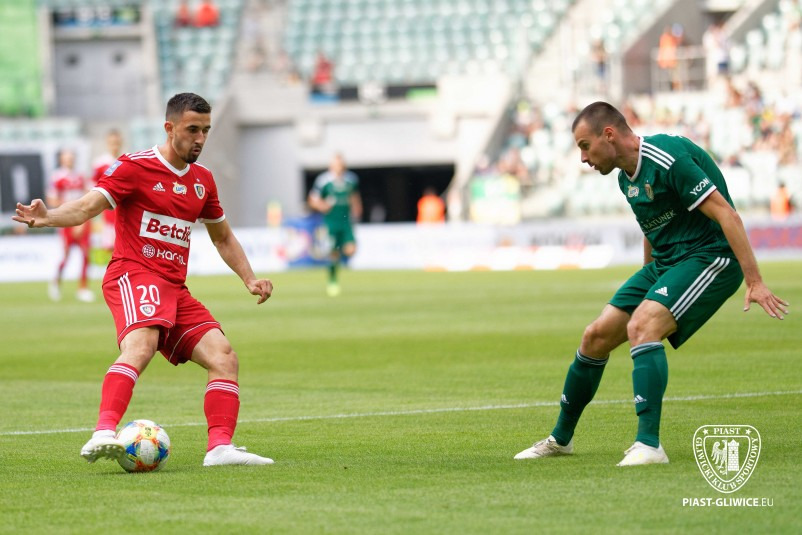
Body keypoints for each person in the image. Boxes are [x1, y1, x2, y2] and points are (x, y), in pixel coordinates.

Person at [514, 101, 788, 466]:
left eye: (585, 146)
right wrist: (651, 286)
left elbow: (727, 214)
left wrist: (755, 281)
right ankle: (559, 440)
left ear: (608, 135)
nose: (583, 158)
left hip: (711, 256)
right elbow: (652, 227)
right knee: (595, 336)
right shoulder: (624, 178)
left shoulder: (667, 158)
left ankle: (649, 445)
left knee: (642, 326)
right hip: (666, 262)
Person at [13, 93, 275, 467]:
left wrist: (249, 279)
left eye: (206, 130)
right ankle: (103, 432)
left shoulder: (202, 181)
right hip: (133, 272)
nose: (200, 138)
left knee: (223, 356)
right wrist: (49, 217)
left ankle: (220, 448)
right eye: (192, 129)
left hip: (174, 287)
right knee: (142, 344)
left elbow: (223, 237)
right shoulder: (133, 167)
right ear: (169, 128)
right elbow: (86, 207)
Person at [307, 153, 362, 296]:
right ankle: (332, 280)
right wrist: (322, 205)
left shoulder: (351, 179)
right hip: (330, 222)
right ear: (331, 166)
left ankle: (339, 260)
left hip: (346, 222)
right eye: (336, 165)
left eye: (341, 165)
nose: (339, 167)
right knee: (333, 253)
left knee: (351, 250)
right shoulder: (323, 181)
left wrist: (357, 209)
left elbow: (354, 196)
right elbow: (312, 200)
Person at [47, 148, 94, 303]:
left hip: (82, 220)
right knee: (66, 255)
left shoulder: (81, 176)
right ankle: (56, 282)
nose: (69, 160)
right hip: (66, 221)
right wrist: (67, 207)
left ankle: (83, 288)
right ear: (61, 160)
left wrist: (83, 218)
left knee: (86, 254)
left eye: (71, 157)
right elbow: (52, 200)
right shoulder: (57, 177)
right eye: (67, 157)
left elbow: (90, 196)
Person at [91, 129, 124, 257]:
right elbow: (93, 187)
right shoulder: (100, 163)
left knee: (123, 245)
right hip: (108, 211)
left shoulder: (126, 160)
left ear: (121, 143)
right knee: (109, 247)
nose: (114, 145)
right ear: (107, 143)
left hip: (124, 210)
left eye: (117, 142)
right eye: (112, 142)